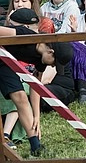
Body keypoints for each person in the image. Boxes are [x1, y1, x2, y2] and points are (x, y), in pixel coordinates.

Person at [0, 8, 74, 155]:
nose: (52, 66)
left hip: (4, 62)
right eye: (54, 63)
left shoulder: (41, 60)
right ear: (50, 52)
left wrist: (36, 116)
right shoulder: (25, 34)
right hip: (2, 52)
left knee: (20, 96)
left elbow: (36, 86)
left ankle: (35, 145)